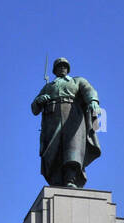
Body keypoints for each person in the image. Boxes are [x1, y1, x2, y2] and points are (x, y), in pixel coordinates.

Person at [31, 58, 100, 188]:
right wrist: (39, 100)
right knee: (53, 151)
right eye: (59, 66)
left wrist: (93, 101)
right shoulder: (48, 86)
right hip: (52, 119)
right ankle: (56, 180)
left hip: (73, 117)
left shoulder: (77, 81)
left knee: (72, 148)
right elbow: (34, 109)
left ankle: (71, 179)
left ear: (68, 69)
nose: (62, 68)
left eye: (64, 66)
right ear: (54, 70)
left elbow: (89, 90)